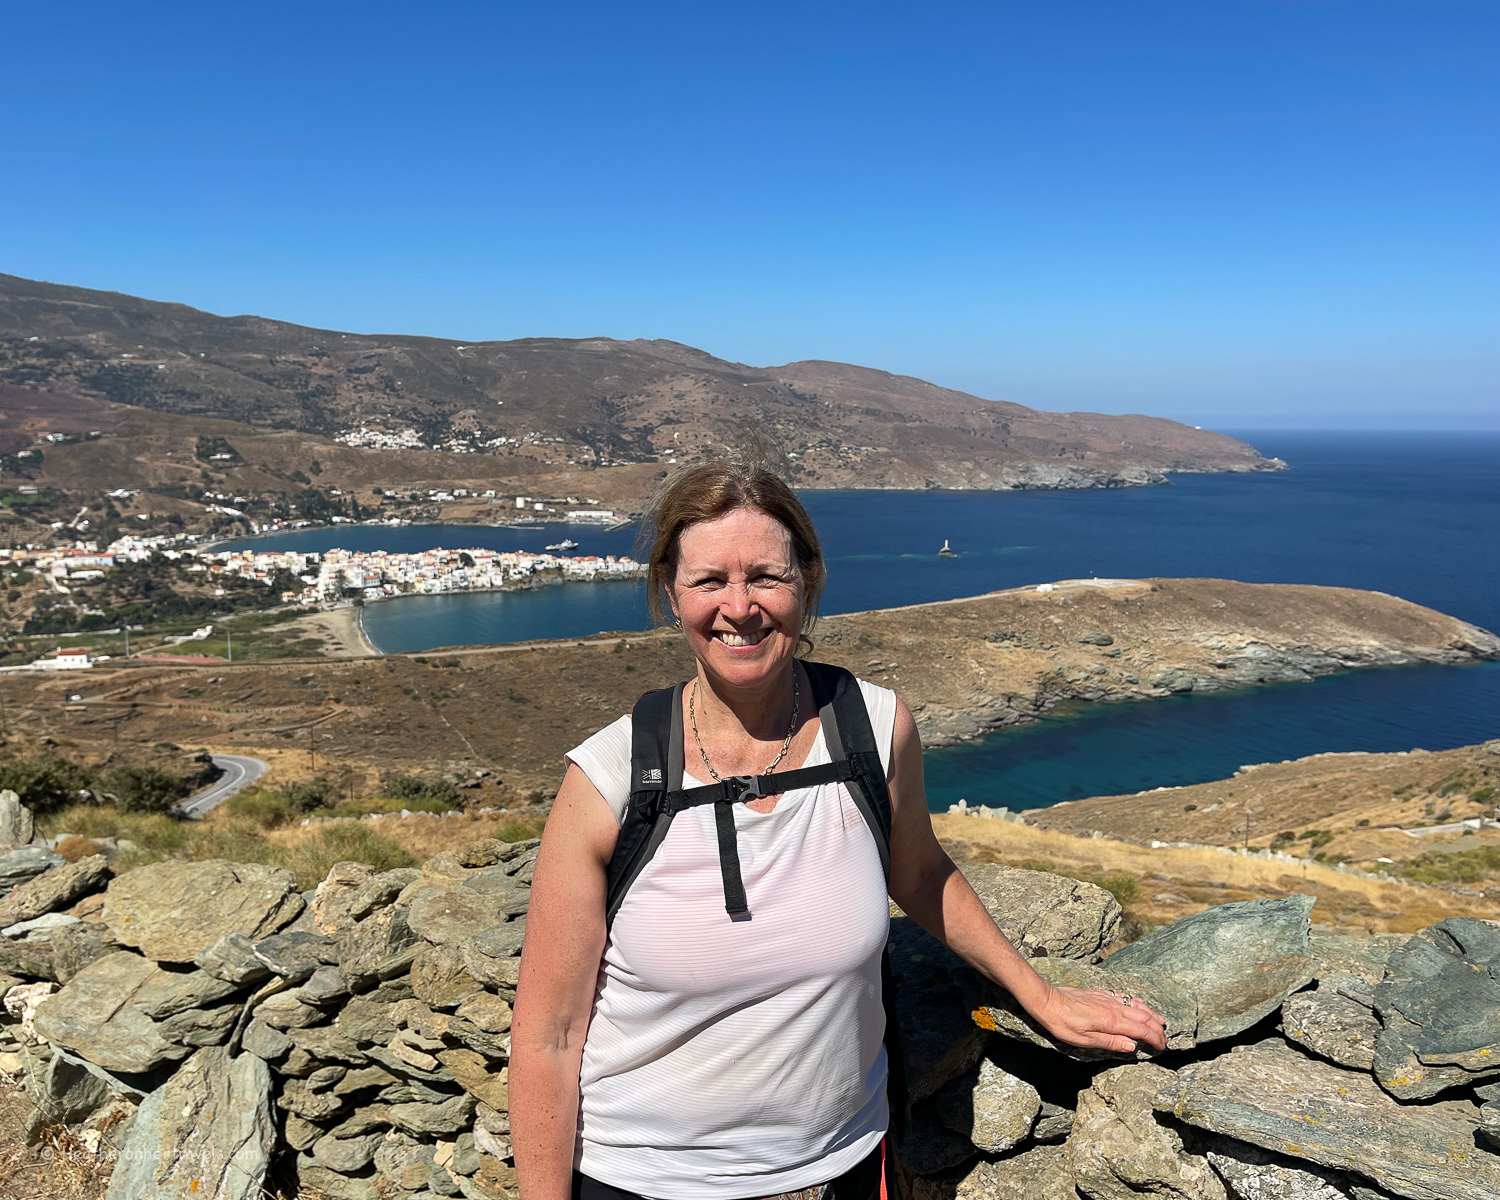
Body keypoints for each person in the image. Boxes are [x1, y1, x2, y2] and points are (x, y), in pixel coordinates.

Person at [510, 457, 1166, 1200]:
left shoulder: (874, 732)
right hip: (646, 1181)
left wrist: (1041, 996)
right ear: (670, 591)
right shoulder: (611, 778)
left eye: (766, 577)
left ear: (809, 583)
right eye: (709, 581)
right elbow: (547, 1038)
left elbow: (919, 874)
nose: (741, 607)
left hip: (842, 1171)